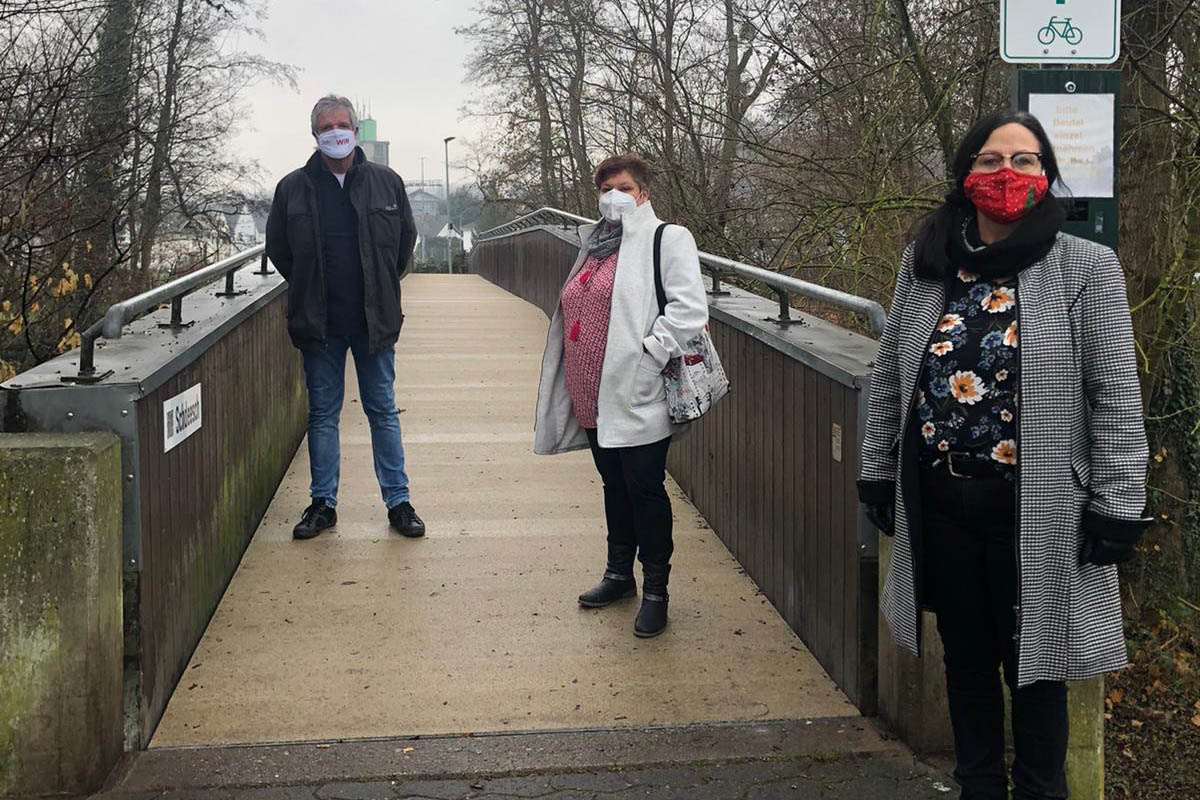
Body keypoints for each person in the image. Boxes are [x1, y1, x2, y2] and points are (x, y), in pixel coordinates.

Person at [858, 110, 1151, 800]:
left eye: (1023, 161)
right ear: (965, 174)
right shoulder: (927, 262)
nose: (1006, 174)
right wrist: (876, 467)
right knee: (965, 656)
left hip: (1040, 505)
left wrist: (1119, 503)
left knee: (1038, 662)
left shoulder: (1086, 267)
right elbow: (892, 374)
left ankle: (1041, 789)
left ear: (1046, 175)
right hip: (942, 499)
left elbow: (1114, 394)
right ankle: (978, 785)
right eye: (990, 160)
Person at [533, 153, 709, 638]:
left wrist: (649, 359)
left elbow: (691, 310)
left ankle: (656, 591)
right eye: (606, 188)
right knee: (615, 486)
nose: (614, 197)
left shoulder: (667, 239)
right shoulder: (595, 243)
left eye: (624, 188)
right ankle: (618, 575)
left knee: (646, 489)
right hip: (591, 393)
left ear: (644, 193)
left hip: (640, 392)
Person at [265, 95, 425, 540]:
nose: (335, 132)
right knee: (322, 414)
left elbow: (403, 246)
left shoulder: (386, 183)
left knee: (383, 411)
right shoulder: (293, 188)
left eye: (342, 124)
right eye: (326, 126)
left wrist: (378, 290)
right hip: (319, 324)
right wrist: (309, 288)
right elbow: (279, 250)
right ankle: (322, 504)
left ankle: (398, 502)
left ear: (354, 130)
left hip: (373, 322)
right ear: (314, 135)